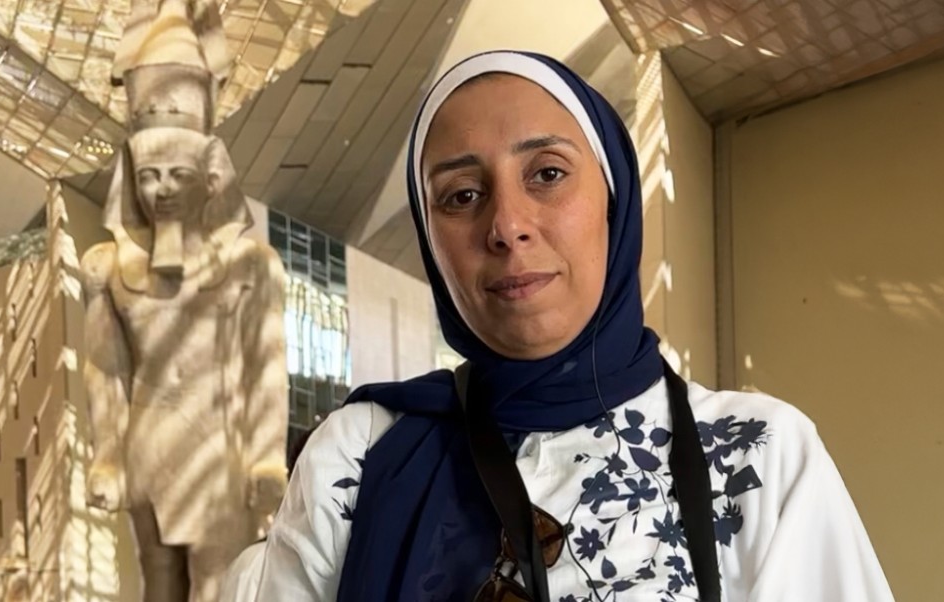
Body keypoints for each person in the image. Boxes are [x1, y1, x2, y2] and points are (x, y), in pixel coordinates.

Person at [228, 50, 894, 601]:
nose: (507, 225)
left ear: (614, 199)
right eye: (461, 196)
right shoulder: (361, 453)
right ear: (432, 242)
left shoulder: (757, 457)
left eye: (546, 173)